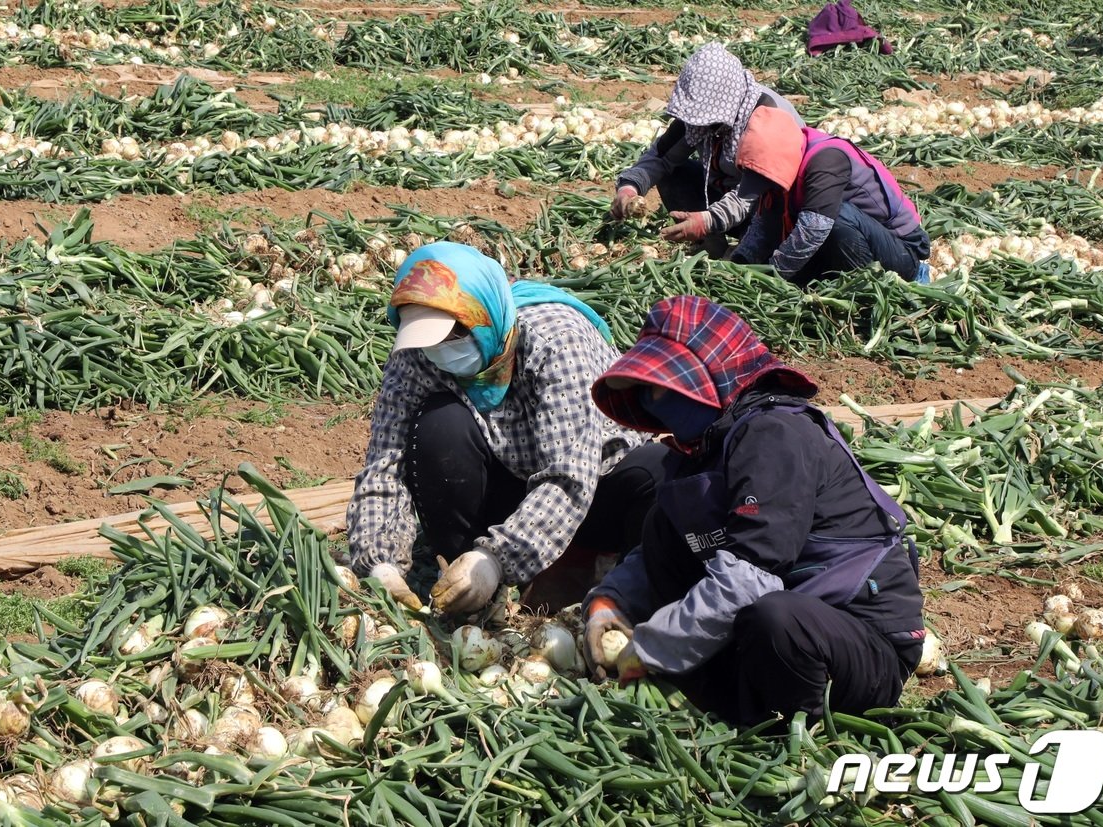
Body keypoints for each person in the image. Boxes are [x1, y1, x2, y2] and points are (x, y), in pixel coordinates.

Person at [582, 295, 924, 725]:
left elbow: (753, 577)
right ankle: (729, 704)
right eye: (647, 390)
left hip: (856, 639)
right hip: (762, 632)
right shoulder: (697, 452)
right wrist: (610, 603)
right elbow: (655, 554)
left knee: (776, 619)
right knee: (666, 523)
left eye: (661, 386)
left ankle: (803, 724)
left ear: (710, 377)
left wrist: (651, 647)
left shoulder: (775, 435)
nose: (651, 401)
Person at [346, 242, 669, 616]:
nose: (438, 350)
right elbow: (384, 464)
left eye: (451, 335)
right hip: (509, 483)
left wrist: (497, 559)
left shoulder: (556, 341)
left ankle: (595, 568)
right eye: (427, 339)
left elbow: (568, 477)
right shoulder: (417, 351)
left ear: (481, 316)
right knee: (439, 425)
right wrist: (378, 562)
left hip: (592, 485)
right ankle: (459, 575)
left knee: (655, 472)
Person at [608, 43, 805, 257]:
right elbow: (660, 157)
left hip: (772, 208)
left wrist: (706, 221)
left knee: (752, 253)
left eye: (704, 120)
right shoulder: (702, 117)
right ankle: (713, 245)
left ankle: (756, 250)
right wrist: (629, 188)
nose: (697, 126)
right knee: (673, 173)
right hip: (728, 200)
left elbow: (748, 195)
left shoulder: (768, 118)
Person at [726, 105, 932, 285]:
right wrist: (739, 264)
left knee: (835, 218)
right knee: (793, 265)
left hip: (901, 251)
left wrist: (771, 278)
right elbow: (765, 222)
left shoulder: (826, 161)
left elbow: (813, 230)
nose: (767, 186)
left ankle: (871, 286)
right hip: (846, 244)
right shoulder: (785, 168)